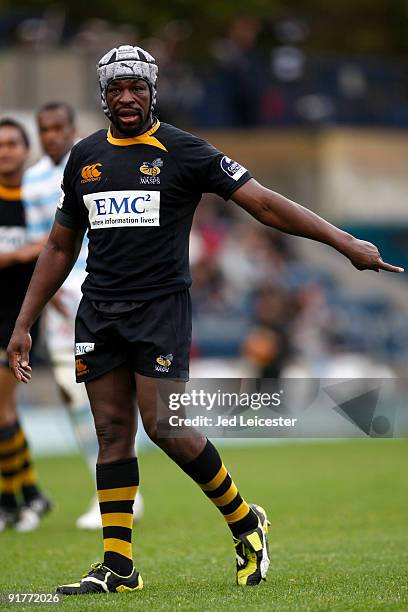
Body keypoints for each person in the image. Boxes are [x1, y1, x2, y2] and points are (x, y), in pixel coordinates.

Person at [7, 45, 403, 596]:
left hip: (161, 310)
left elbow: (263, 204)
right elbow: (58, 245)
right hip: (97, 311)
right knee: (111, 433)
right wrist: (23, 324)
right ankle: (118, 568)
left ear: (152, 92)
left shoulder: (184, 151)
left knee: (165, 427)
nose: (127, 98)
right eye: (116, 89)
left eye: (137, 88)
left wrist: (345, 242)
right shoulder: (84, 157)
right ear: (103, 96)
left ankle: (245, 522)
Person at [23, 102, 143, 529]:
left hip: (99, 293)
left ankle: (121, 492)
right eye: (44, 129)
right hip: (58, 305)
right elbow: (48, 243)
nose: (52, 136)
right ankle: (108, 491)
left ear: (72, 128)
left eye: (59, 128)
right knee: (75, 400)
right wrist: (49, 296)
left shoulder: (93, 162)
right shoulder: (32, 180)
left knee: (112, 397)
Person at [0, 118, 51, 532]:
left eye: (12, 143)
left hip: (22, 316)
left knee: (1, 408)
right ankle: (28, 494)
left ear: (25, 148)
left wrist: (19, 254)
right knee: (3, 409)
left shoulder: (39, 194)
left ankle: (14, 500)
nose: (5, 151)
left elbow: (56, 243)